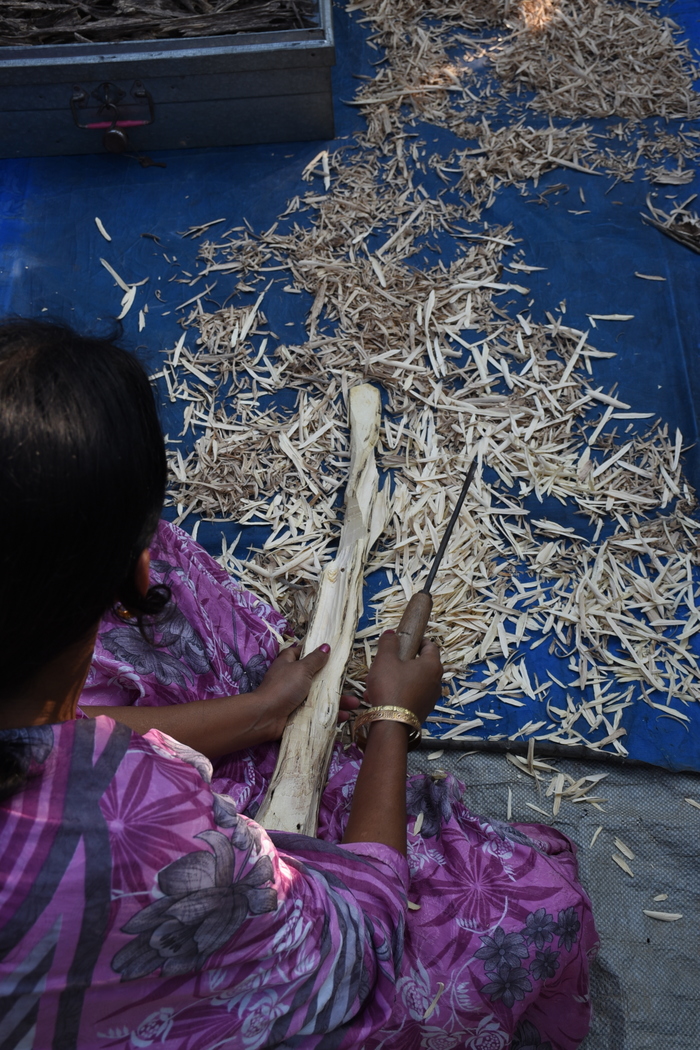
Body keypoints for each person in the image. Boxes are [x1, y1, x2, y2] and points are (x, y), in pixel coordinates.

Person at [0, 319, 598, 1050]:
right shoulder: (136, 821)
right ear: (134, 575)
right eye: (146, 541)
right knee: (531, 906)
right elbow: (356, 943)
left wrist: (260, 712)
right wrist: (389, 719)